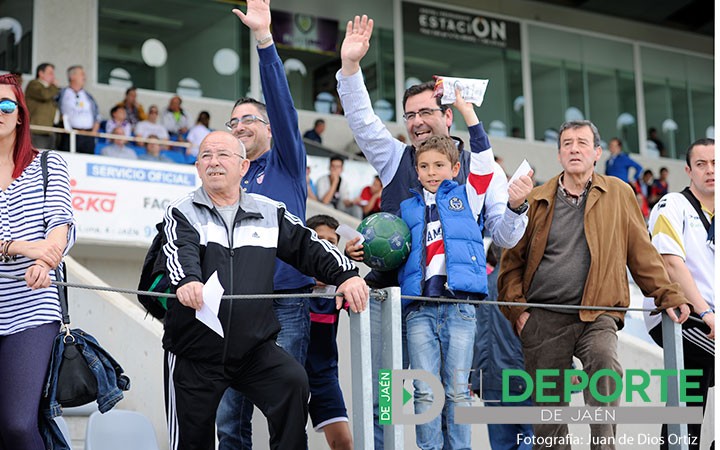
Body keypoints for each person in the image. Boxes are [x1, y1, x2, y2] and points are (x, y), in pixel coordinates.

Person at [337, 15, 532, 448]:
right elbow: (363, 121)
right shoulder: (395, 157)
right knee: (384, 398)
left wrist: (517, 206)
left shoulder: (484, 170)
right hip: (388, 300)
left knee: (448, 394)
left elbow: (503, 236)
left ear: (447, 114)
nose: (417, 122)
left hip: (451, 301)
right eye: (409, 115)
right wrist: (350, 68)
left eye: (426, 112)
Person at [162, 130, 368, 450]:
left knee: (292, 381)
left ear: (244, 167)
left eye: (223, 155)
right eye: (206, 156)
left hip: (253, 349)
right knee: (193, 440)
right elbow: (178, 251)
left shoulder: (269, 211)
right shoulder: (182, 210)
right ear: (198, 167)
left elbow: (308, 246)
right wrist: (188, 280)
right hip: (196, 351)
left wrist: (346, 275)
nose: (214, 162)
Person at [498, 120, 691, 450]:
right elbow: (510, 264)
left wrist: (668, 293)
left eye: (582, 143)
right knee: (550, 419)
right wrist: (519, 313)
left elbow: (641, 252)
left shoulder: (618, 193)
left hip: (597, 313)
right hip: (543, 318)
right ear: (558, 154)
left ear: (597, 153)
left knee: (605, 368)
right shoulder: (536, 198)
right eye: (567, 143)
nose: (574, 148)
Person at [398, 87, 531, 449]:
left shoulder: (466, 197)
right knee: (425, 393)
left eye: (440, 165)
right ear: (416, 169)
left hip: (460, 309)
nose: (431, 172)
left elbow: (485, 160)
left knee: (457, 392)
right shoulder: (407, 209)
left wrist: (466, 110)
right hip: (420, 311)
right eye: (424, 166)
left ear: (456, 168)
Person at [215, 2, 318, 448]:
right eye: (232, 122)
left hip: (289, 304)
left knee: (285, 409)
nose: (238, 127)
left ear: (270, 128)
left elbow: (281, 102)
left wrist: (264, 41)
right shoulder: (229, 178)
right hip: (238, 305)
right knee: (227, 415)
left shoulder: (288, 163)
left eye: (248, 120)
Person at [0, 73, 75, 450]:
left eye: (6, 104)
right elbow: (30, 245)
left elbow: (60, 224)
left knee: (17, 423)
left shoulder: (48, 163)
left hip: (31, 305)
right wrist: (21, 248)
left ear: (20, 114)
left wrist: (45, 261)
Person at [643, 138, 714, 450]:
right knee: (688, 407)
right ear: (688, 170)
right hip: (681, 315)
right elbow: (672, 264)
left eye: (715, 163)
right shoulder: (673, 204)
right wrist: (707, 313)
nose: (710, 170)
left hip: (707, 320)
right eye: (701, 164)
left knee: (688, 410)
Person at [304, 214, 353, 450]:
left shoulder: (341, 287)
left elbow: (359, 308)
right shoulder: (289, 281)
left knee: (343, 443)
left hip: (324, 376)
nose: (324, 245)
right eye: (317, 238)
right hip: (289, 376)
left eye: (331, 242)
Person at [57, 65, 100, 154]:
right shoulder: (61, 93)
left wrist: (94, 132)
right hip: (69, 135)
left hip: (87, 136)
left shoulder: (88, 96)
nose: (85, 77)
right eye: (82, 74)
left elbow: (97, 115)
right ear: (72, 76)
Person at [25, 62, 59, 150]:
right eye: (50, 73)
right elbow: (44, 95)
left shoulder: (51, 89)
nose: (53, 76)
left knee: (49, 160)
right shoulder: (34, 84)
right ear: (41, 73)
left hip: (49, 131)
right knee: (37, 159)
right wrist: (54, 86)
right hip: (36, 131)